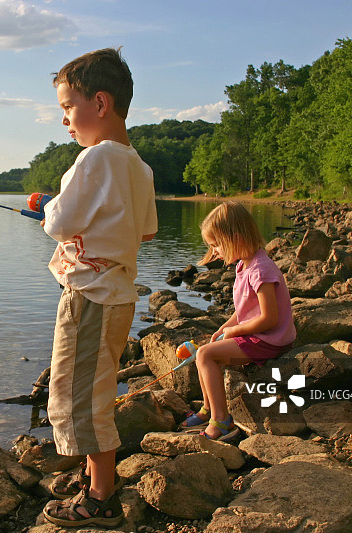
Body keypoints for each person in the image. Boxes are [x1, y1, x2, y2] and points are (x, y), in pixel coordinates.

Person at [38, 47, 157, 528]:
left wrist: (48, 206)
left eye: (68, 107)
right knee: (95, 388)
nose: (65, 120)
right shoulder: (138, 165)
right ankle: (95, 481)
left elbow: (58, 224)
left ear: (100, 104)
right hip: (119, 296)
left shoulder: (94, 158)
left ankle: (102, 499)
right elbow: (146, 231)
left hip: (90, 297)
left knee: (74, 396)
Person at [179, 201, 296, 441]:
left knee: (206, 356)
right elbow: (247, 309)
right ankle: (207, 407)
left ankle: (221, 421)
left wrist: (236, 330)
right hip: (258, 335)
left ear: (235, 237)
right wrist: (226, 326)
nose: (215, 252)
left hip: (270, 340)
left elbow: (269, 318)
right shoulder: (245, 264)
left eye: (216, 245)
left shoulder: (261, 270)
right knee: (205, 351)